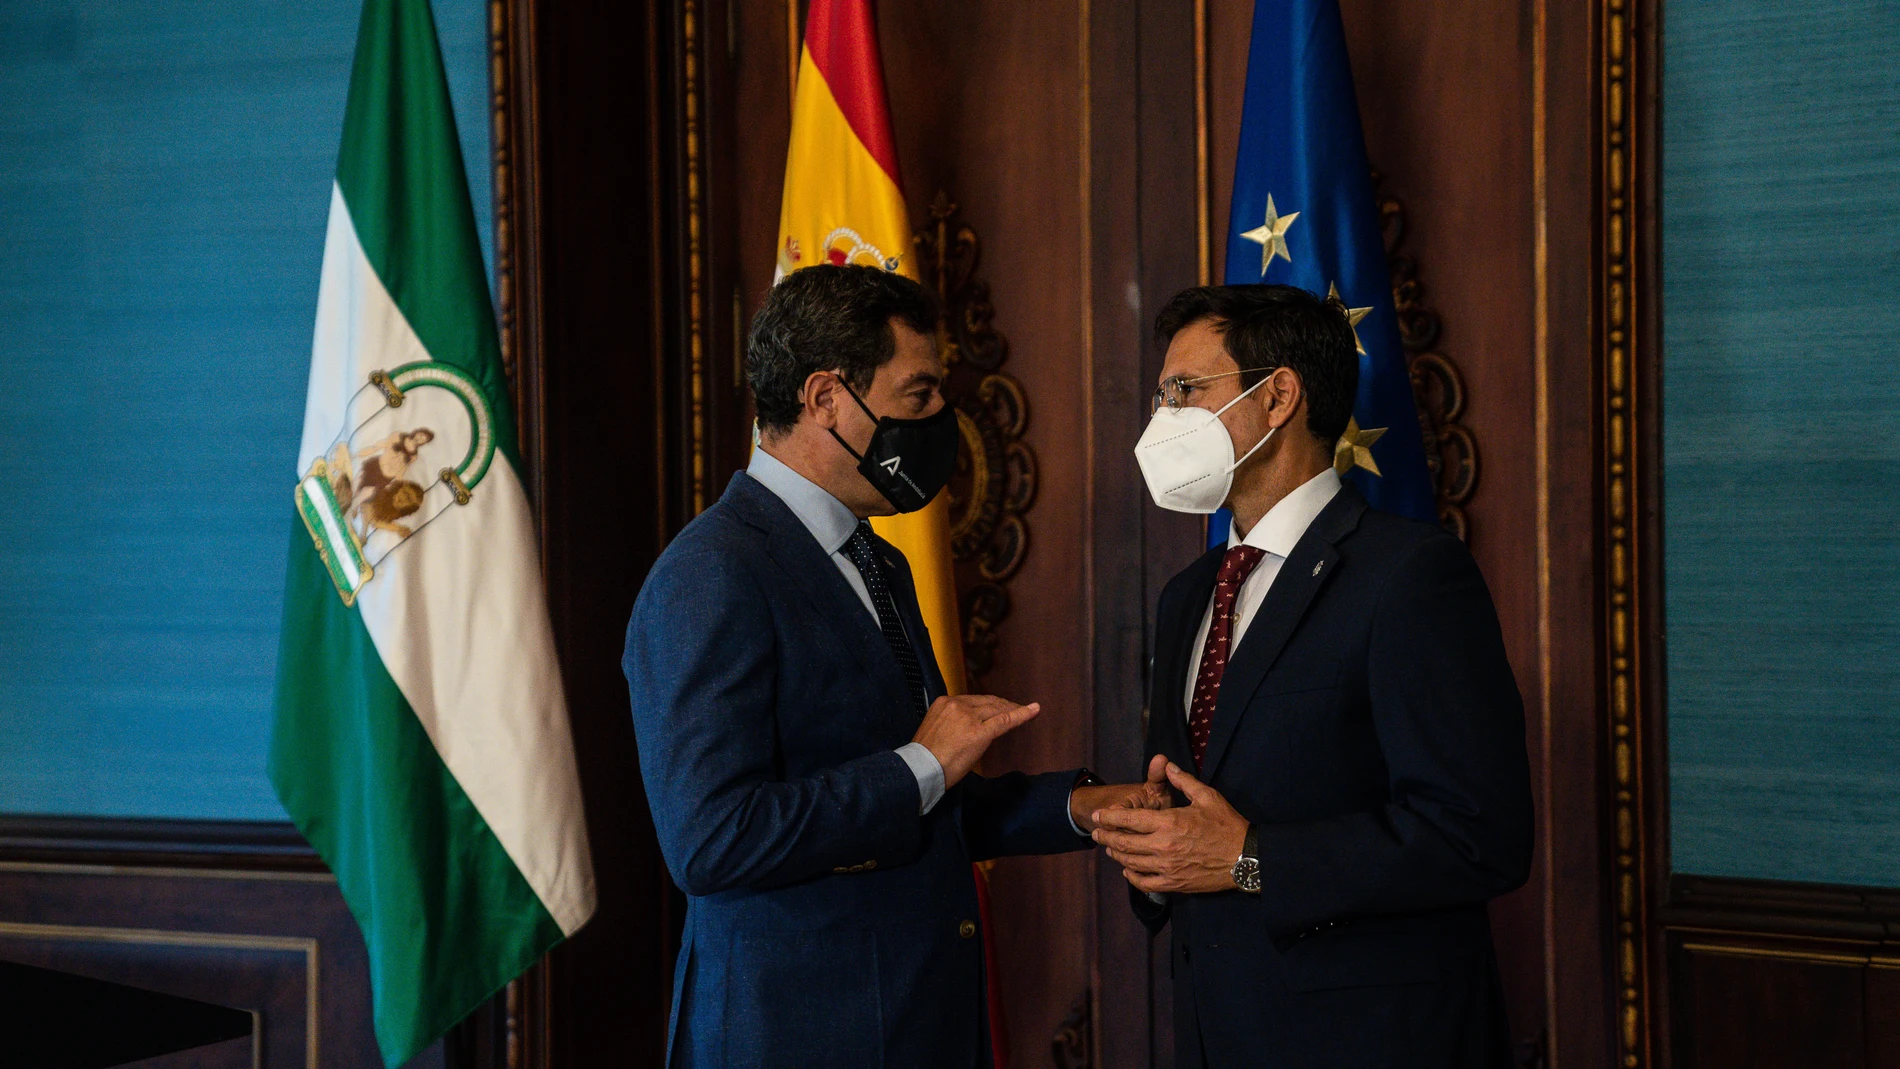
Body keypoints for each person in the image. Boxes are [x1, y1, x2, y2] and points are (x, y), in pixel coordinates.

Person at [625, 264, 1163, 1069]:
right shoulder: (712, 571)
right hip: (796, 1039)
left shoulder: (874, 559)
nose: (943, 417)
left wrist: (1086, 807)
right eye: (920, 394)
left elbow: (923, 800)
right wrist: (921, 761)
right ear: (825, 398)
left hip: (918, 1025)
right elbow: (711, 839)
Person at [1090, 284, 1534, 1068]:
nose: (1163, 418)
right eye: (1161, 394)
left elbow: (1479, 836)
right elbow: (1192, 809)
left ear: (1279, 396)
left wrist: (1248, 857)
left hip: (1373, 1040)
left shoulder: (1409, 574)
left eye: (1185, 391)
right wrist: (1157, 855)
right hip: (1213, 1031)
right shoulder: (1189, 593)